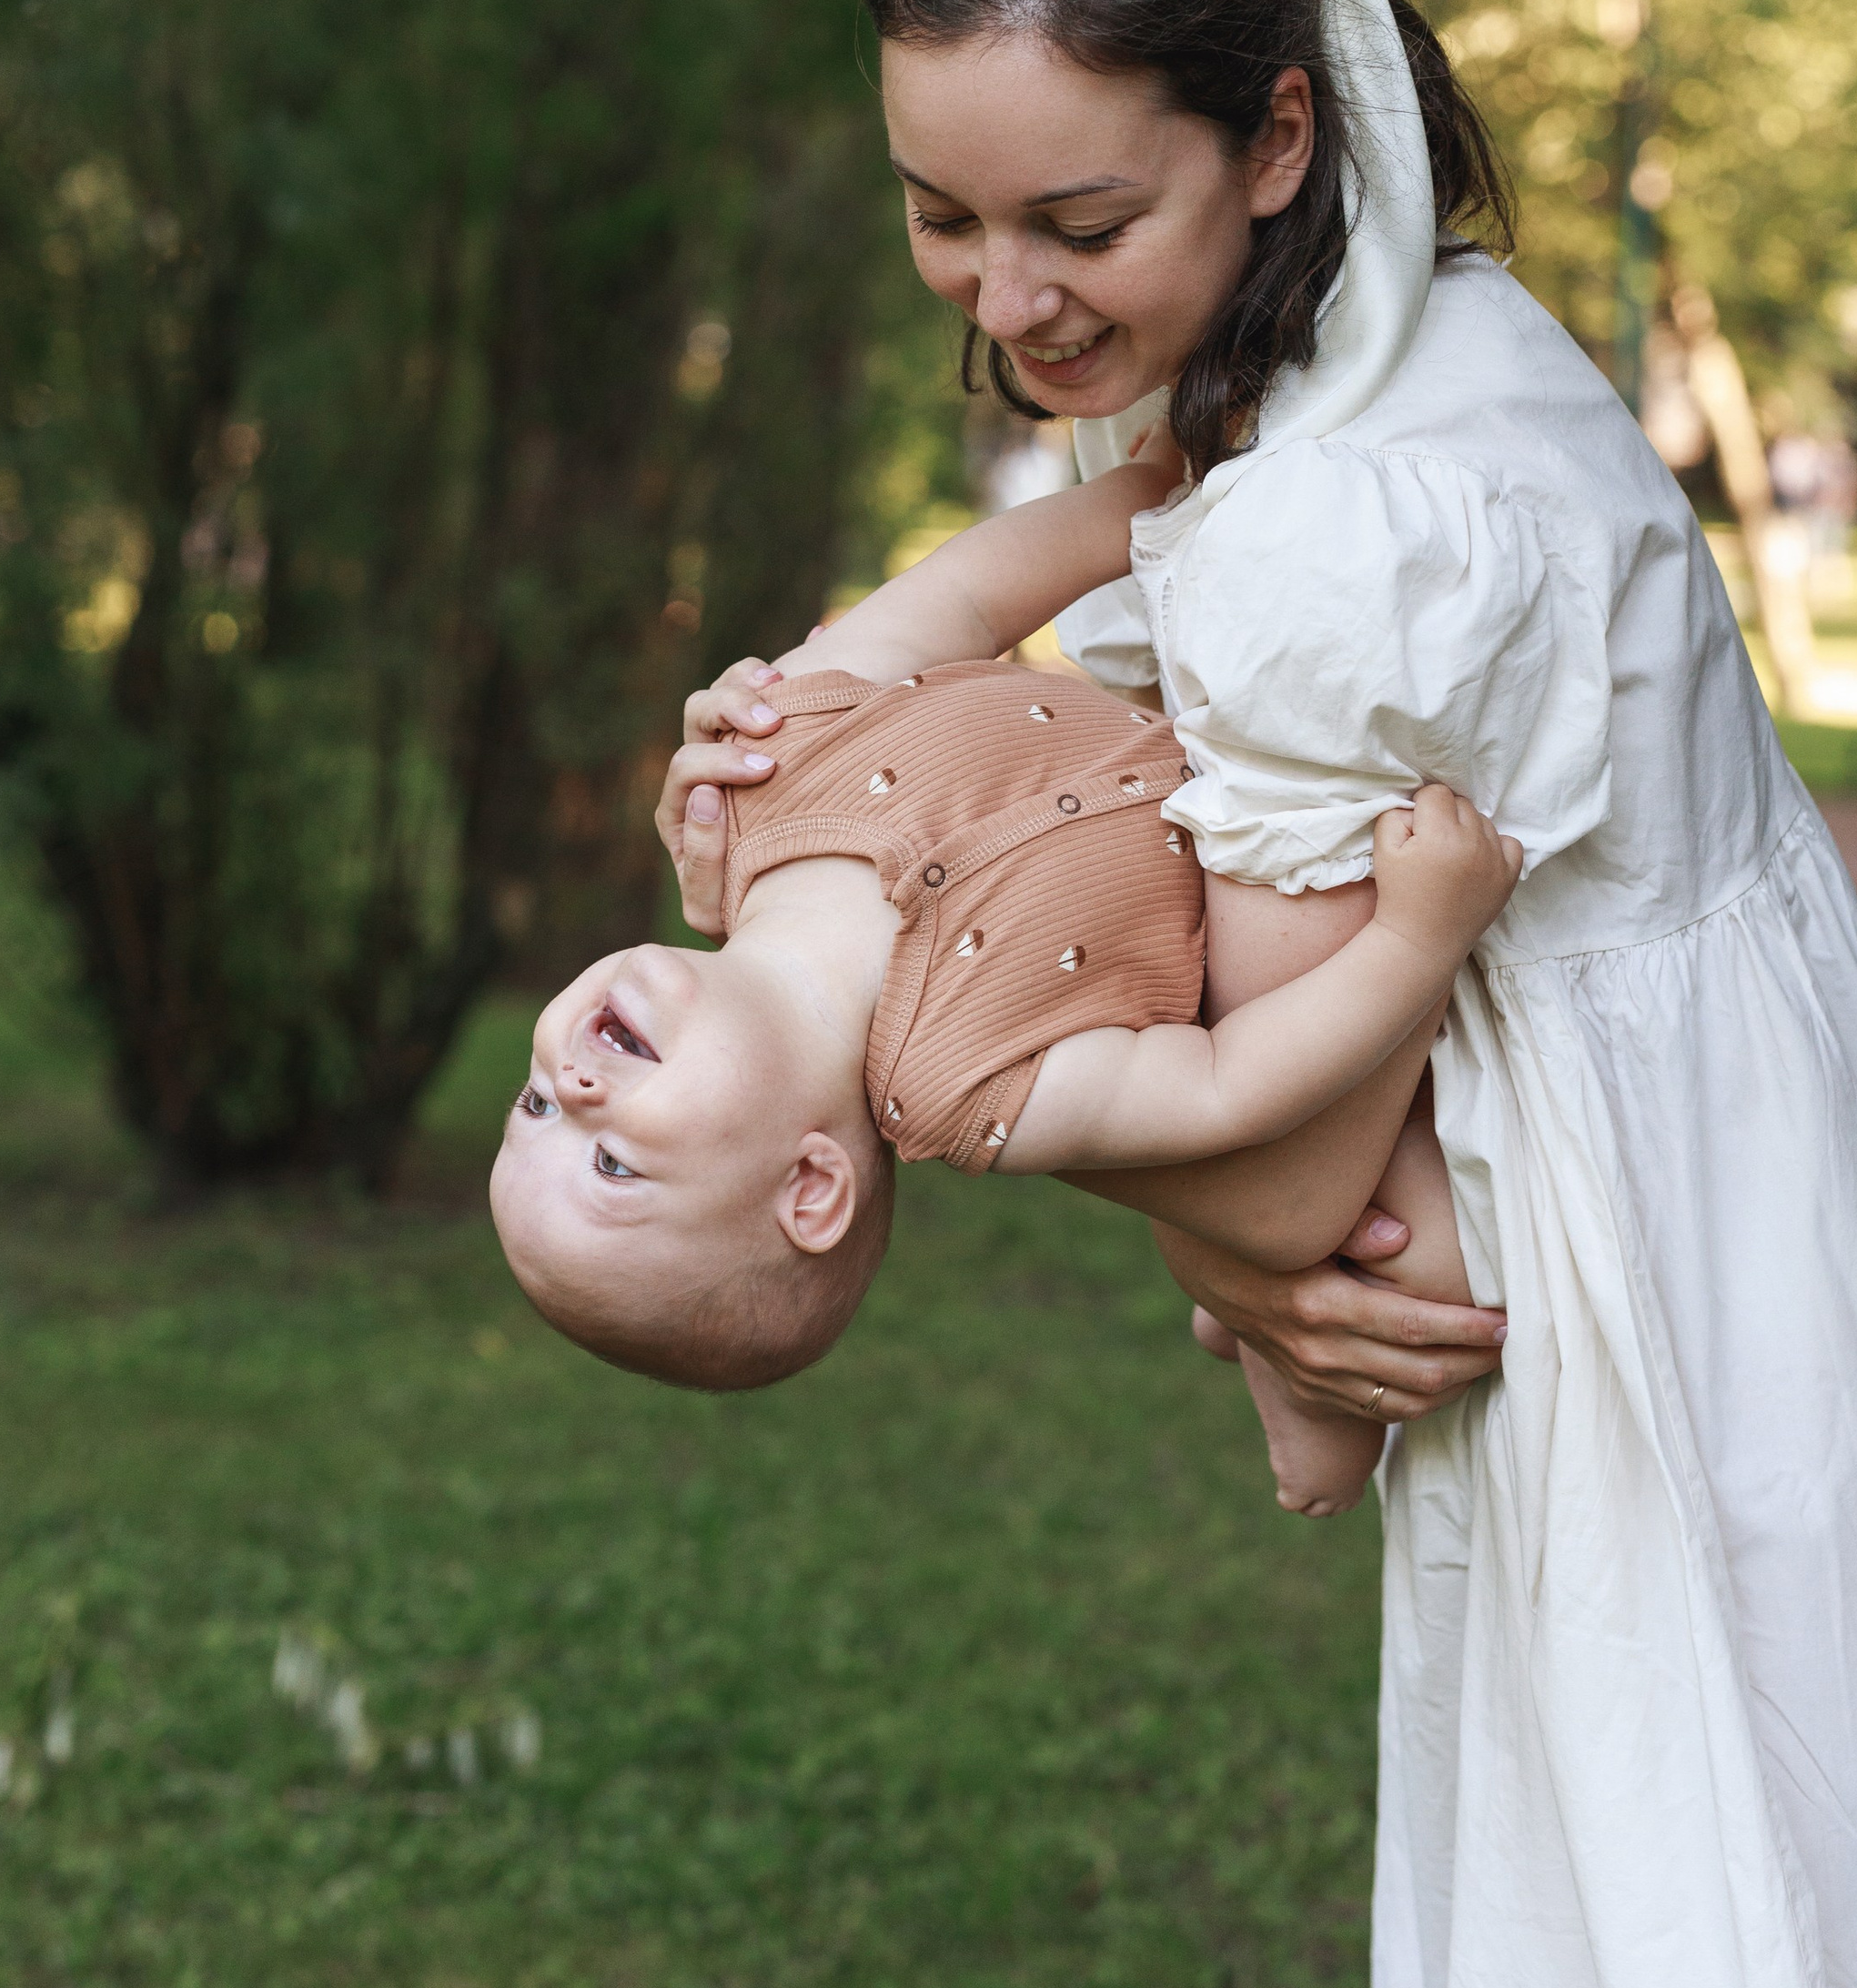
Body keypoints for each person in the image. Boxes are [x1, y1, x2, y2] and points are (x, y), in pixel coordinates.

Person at [668, 0, 1857, 1988]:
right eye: (942, 215)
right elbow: (1093, 528)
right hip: (1773, 1217)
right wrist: (830, 692)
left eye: (1080, 222)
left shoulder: (1329, 540)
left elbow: (1290, 1165)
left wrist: (1054, 1149)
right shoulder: (1400, 345)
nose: (1009, 296)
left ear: (1277, 129)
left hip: (1635, 1331)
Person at [494, 443, 1519, 1518]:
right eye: (610, 1163)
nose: (571, 1089)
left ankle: (1248, 1318)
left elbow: (967, 594)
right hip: (1291, 961)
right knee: (1429, 1250)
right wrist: (1415, 938)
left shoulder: (767, 756)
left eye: (530, 1105)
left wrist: (1131, 503)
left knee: (1308, 1212)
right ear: (809, 1186)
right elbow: (1227, 1080)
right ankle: (1307, 1395)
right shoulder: (981, 1091)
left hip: (1236, 805)